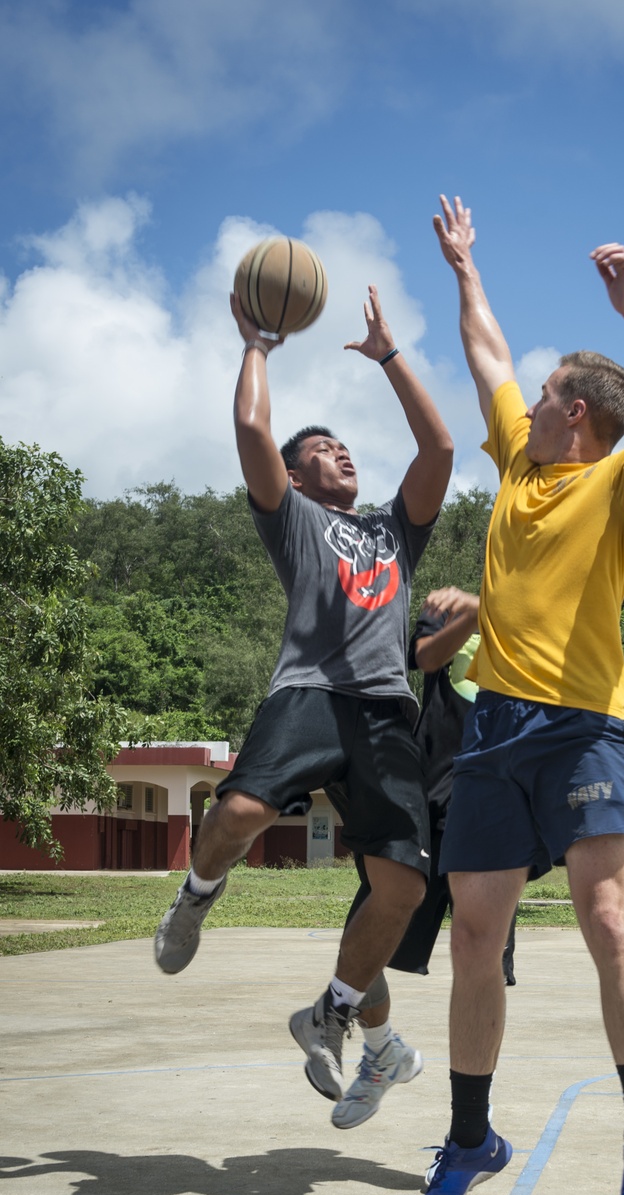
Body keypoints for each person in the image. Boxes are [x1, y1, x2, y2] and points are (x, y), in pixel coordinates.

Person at [412, 196, 624, 1195]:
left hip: (585, 727)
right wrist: (463, 267)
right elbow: (484, 348)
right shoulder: (517, 464)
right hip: (494, 729)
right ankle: (467, 1139)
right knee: (476, 936)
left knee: (606, 919)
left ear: (575, 414)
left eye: (544, 395)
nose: (526, 399)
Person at [154, 283, 453, 1130]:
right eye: (322, 447)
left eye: (344, 443)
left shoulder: (395, 531)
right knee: (243, 805)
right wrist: (258, 345)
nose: (341, 452)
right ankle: (197, 894)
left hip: (386, 714)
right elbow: (252, 432)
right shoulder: (294, 521)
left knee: (399, 886)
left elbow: (438, 445)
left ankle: (331, 1013)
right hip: (312, 693)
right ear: (294, 475)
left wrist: (390, 355)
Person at [345, 586, 516, 1000]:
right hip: (432, 793)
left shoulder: (526, 621)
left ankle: (476, 1060)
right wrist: (475, 615)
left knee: (483, 953)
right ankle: (369, 1032)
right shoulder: (446, 610)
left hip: (493, 798)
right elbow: (420, 657)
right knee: (371, 935)